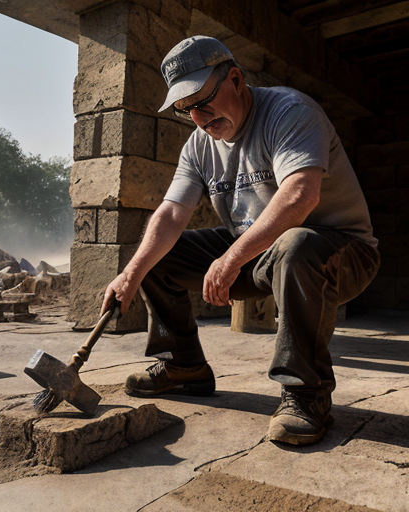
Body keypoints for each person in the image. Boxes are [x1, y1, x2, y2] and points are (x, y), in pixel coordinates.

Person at [100, 35, 380, 445]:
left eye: (203, 100)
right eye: (186, 108)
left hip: (340, 251)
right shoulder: (200, 144)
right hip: (259, 251)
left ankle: (306, 395)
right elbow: (172, 213)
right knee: (157, 254)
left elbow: (301, 195)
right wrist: (131, 273)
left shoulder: (289, 111)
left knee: (297, 243)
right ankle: (182, 364)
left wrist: (231, 258)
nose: (199, 118)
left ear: (235, 78)